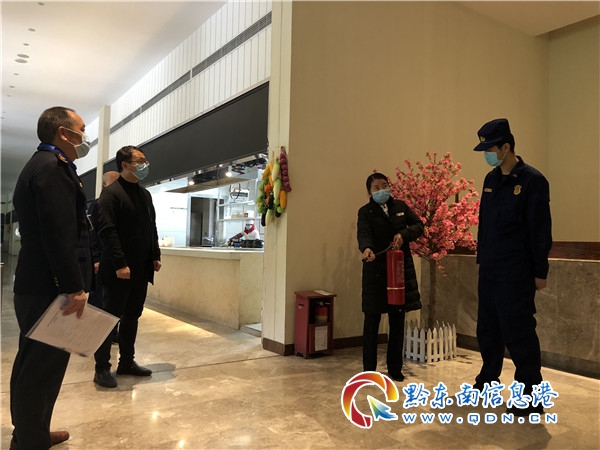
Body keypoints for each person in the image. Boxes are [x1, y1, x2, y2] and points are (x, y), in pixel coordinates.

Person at [10, 106, 93, 449]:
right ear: (63, 133)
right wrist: (74, 287)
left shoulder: (46, 165)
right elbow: (59, 235)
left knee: (37, 364)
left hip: (40, 283)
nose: (85, 136)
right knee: (41, 369)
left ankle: (32, 433)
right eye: (82, 129)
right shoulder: (51, 169)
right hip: (49, 286)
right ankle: (29, 441)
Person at [472, 118, 552, 416]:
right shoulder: (490, 180)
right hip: (490, 270)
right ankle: (487, 381)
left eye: (490, 149)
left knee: (519, 333)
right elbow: (484, 226)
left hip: (516, 272)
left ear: (506, 147)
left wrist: (540, 271)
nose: (487, 155)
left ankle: (530, 395)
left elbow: (540, 230)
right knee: (487, 329)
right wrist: (481, 261)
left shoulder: (532, 181)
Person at [93, 146, 161, 388]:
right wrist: (120, 263)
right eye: (139, 161)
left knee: (132, 316)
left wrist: (155, 255)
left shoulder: (145, 195)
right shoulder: (110, 194)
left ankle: (127, 362)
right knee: (108, 319)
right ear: (124, 164)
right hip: (117, 271)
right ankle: (101, 368)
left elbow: (151, 227)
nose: (144, 164)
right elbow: (107, 232)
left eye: (145, 160)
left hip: (141, 269)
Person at [357, 172, 424, 382]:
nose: (381, 190)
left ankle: (395, 369)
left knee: (397, 321)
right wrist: (366, 248)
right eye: (376, 188)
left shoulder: (400, 207)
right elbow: (363, 233)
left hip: (398, 271)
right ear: (369, 192)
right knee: (372, 321)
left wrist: (404, 235)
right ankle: (369, 370)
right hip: (375, 271)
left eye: (384, 185)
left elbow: (419, 226)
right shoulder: (365, 211)